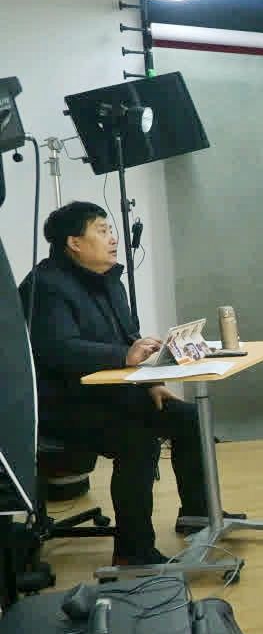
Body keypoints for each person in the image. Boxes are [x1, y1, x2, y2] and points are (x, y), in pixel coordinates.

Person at [19, 202, 220, 566]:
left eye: (110, 230)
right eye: (102, 230)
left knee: (189, 419)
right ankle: (133, 551)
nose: (113, 238)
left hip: (109, 395)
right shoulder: (44, 287)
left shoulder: (111, 281)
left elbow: (130, 339)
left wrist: (150, 383)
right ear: (74, 243)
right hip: (61, 405)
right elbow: (58, 349)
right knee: (137, 439)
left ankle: (198, 517)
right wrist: (124, 355)